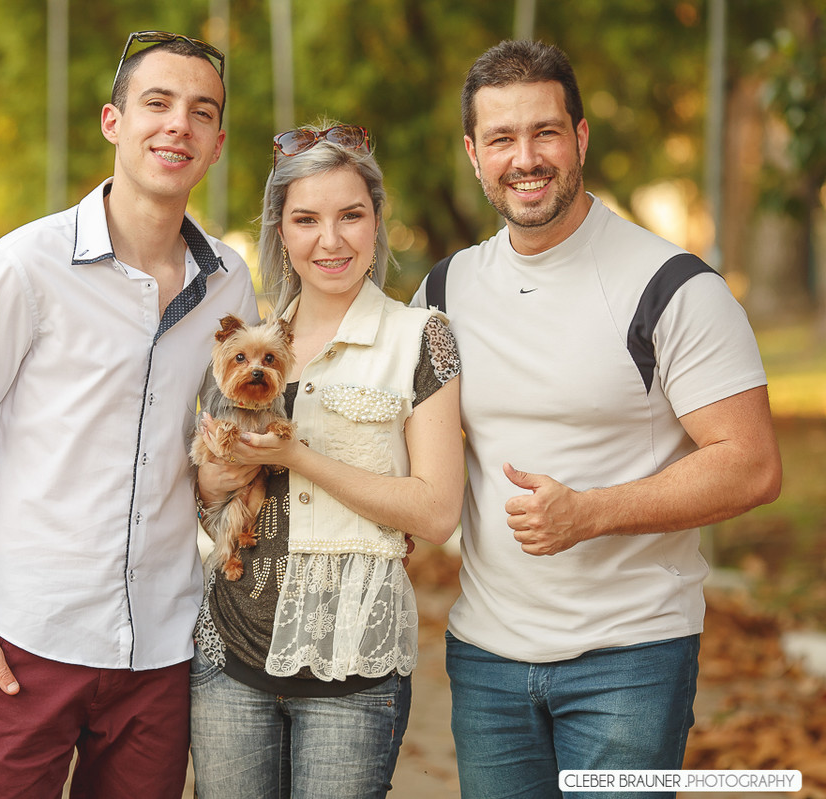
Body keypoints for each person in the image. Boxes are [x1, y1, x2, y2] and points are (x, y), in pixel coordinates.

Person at [409, 40, 782, 798]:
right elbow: (401, 450)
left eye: (545, 132)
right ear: (474, 155)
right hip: (486, 659)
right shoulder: (446, 289)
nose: (526, 158)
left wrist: (591, 512)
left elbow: (752, 462)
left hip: (631, 657)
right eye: (501, 139)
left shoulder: (672, 287)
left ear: (580, 137)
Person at [0, 31, 257, 799]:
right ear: (113, 121)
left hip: (162, 647)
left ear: (217, 144)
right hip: (25, 638)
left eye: (201, 113)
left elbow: (218, 446)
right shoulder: (23, 266)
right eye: (156, 104)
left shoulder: (229, 284)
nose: (177, 126)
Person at [190, 121, 465, 799]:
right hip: (229, 655)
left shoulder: (421, 338)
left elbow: (437, 510)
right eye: (306, 218)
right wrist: (225, 471)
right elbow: (200, 491)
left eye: (351, 215)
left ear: (377, 221)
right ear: (280, 229)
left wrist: (299, 457)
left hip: (353, 667)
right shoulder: (244, 343)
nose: (331, 240)